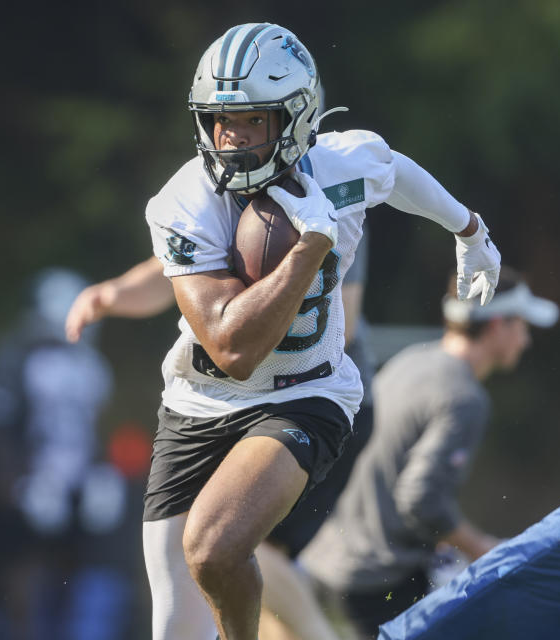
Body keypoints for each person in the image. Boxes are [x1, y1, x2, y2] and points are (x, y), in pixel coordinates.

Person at [136, 22, 501, 640]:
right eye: (219, 122)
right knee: (172, 618)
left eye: (251, 121)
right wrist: (311, 247)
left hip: (308, 394)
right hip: (202, 399)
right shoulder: (183, 204)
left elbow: (394, 170)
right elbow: (233, 351)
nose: (230, 140)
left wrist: (470, 231)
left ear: (296, 116)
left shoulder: (344, 162)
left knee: (214, 548)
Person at [65, 227, 377, 640]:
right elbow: (177, 267)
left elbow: (346, 321)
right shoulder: (214, 184)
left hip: (314, 401)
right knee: (241, 568)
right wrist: (114, 294)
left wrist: (250, 327)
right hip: (233, 405)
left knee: (228, 543)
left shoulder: (334, 184)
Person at [301, 266, 558, 639]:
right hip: (374, 579)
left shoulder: (411, 359)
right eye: (522, 326)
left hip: (324, 559)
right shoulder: (464, 397)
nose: (526, 340)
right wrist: (484, 548)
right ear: (498, 323)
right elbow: (420, 501)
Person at [0, 267, 129, 640]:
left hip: (54, 491)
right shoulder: (10, 360)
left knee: (55, 570)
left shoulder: (88, 368)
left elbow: (86, 432)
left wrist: (99, 476)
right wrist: (17, 486)